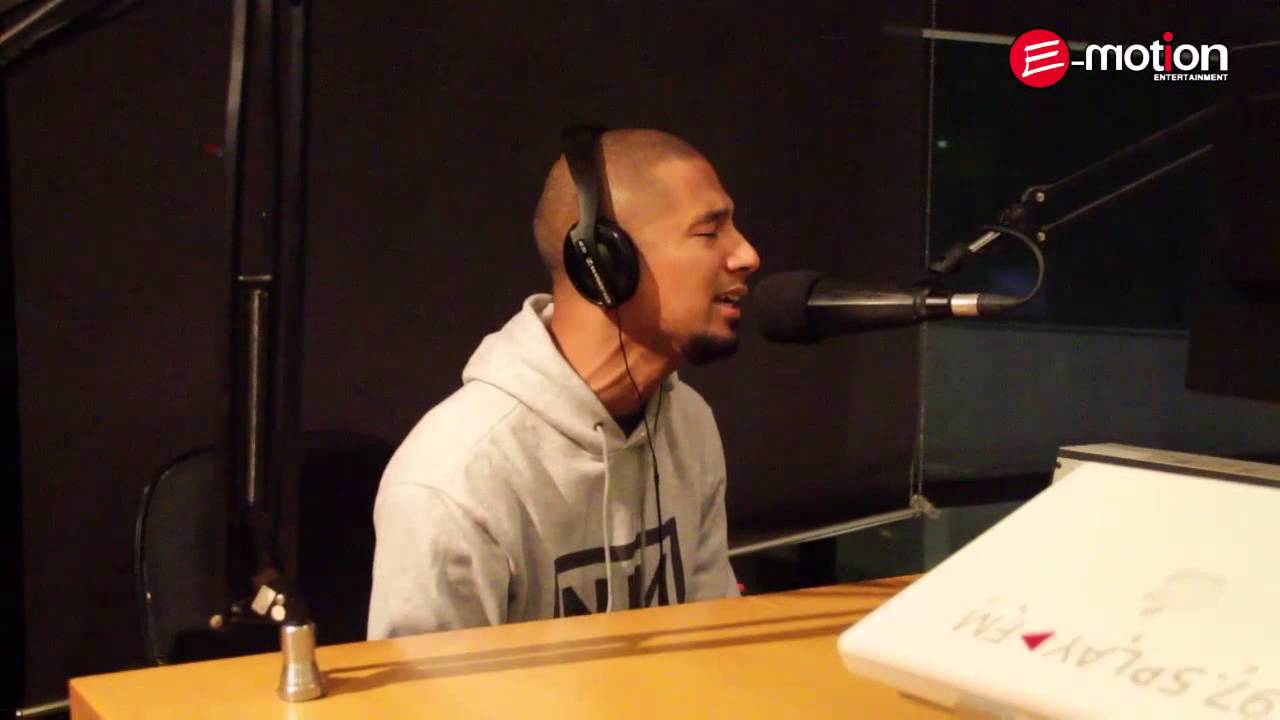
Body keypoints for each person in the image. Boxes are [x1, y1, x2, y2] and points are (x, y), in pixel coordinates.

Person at [367, 127, 761, 638]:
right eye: (709, 232)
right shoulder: (455, 478)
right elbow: (424, 688)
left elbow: (713, 645)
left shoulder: (688, 422)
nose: (747, 254)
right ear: (604, 262)